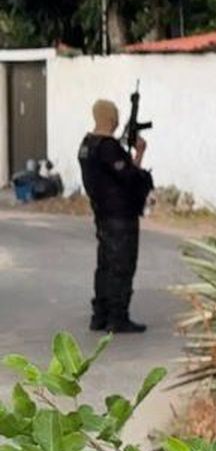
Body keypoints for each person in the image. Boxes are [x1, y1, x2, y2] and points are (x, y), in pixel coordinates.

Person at [77, 99, 153, 334]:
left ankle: (100, 315)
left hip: (102, 213)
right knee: (121, 265)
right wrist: (139, 153)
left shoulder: (87, 144)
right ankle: (118, 317)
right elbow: (130, 178)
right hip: (120, 216)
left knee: (105, 265)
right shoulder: (108, 147)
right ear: (111, 119)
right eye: (116, 117)